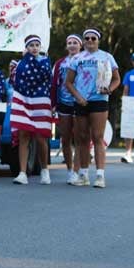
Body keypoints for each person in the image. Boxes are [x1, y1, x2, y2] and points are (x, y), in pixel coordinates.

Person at [65, 28, 121, 188]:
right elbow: (68, 82)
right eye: (87, 38)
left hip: (99, 100)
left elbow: (117, 79)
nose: (90, 41)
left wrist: (109, 89)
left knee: (97, 137)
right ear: (83, 41)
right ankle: (83, 174)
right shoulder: (77, 58)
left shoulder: (107, 57)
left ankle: (100, 175)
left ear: (98, 40)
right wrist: (78, 97)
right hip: (81, 101)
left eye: (93, 38)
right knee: (82, 138)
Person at [11, 35, 53, 185]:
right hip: (24, 101)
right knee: (24, 136)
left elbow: (46, 77)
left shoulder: (45, 62)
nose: (34, 48)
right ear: (26, 48)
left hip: (41, 101)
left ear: (40, 47)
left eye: (37, 45)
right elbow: (14, 80)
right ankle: (22, 173)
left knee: (41, 138)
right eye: (31, 45)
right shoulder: (21, 63)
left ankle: (45, 170)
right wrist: (24, 61)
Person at [51, 34, 82, 184]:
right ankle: (70, 170)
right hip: (63, 102)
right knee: (65, 139)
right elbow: (53, 84)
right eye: (69, 42)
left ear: (80, 45)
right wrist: (53, 103)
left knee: (79, 138)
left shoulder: (85, 60)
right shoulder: (59, 63)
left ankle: (77, 171)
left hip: (80, 102)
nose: (72, 45)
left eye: (75, 42)